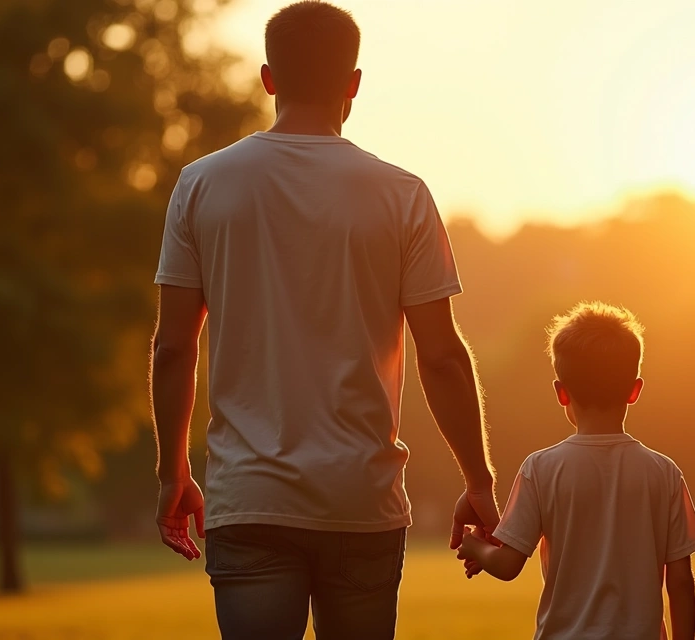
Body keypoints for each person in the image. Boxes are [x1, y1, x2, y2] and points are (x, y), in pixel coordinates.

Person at [148, 2, 498, 638]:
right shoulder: (402, 195)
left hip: (249, 500)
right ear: (353, 83)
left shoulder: (200, 185)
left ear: (268, 78)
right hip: (360, 502)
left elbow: (174, 348)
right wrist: (478, 479)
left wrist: (173, 473)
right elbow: (443, 357)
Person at [457, 302, 695, 640]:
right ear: (635, 390)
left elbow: (507, 565)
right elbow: (680, 581)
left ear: (561, 393)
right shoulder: (664, 473)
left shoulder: (541, 469)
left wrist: (475, 548)